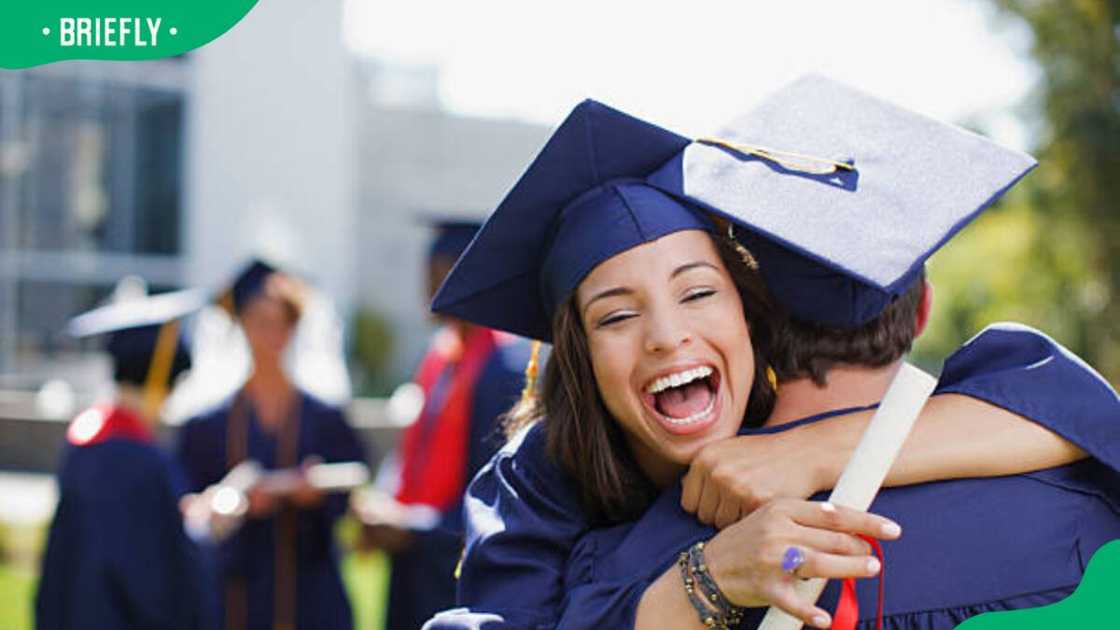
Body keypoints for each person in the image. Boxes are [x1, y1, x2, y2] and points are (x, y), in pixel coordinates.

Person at [423, 85, 1114, 629]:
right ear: (577, 356)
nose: (666, 336)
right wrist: (706, 581)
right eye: (617, 315)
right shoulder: (547, 479)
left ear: (753, 315)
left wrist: (808, 451)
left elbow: (1067, 408)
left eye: (697, 292)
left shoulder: (627, 564)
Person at [354, 220, 532, 629]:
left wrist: (414, 527)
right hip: (415, 562)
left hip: (455, 570)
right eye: (429, 274)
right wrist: (386, 505)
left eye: (441, 273)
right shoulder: (441, 356)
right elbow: (411, 453)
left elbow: (495, 492)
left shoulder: (502, 367)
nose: (429, 289)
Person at [175, 260, 366, 630]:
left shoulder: (324, 417)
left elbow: (351, 485)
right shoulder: (208, 424)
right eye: (259, 323)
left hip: (309, 585)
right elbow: (187, 501)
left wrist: (317, 495)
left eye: (281, 324)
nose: (270, 336)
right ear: (241, 326)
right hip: (235, 589)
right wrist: (228, 502)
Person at [36, 285, 212, 630]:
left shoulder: (83, 447)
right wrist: (202, 531)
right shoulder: (144, 462)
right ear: (161, 380)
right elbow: (158, 579)